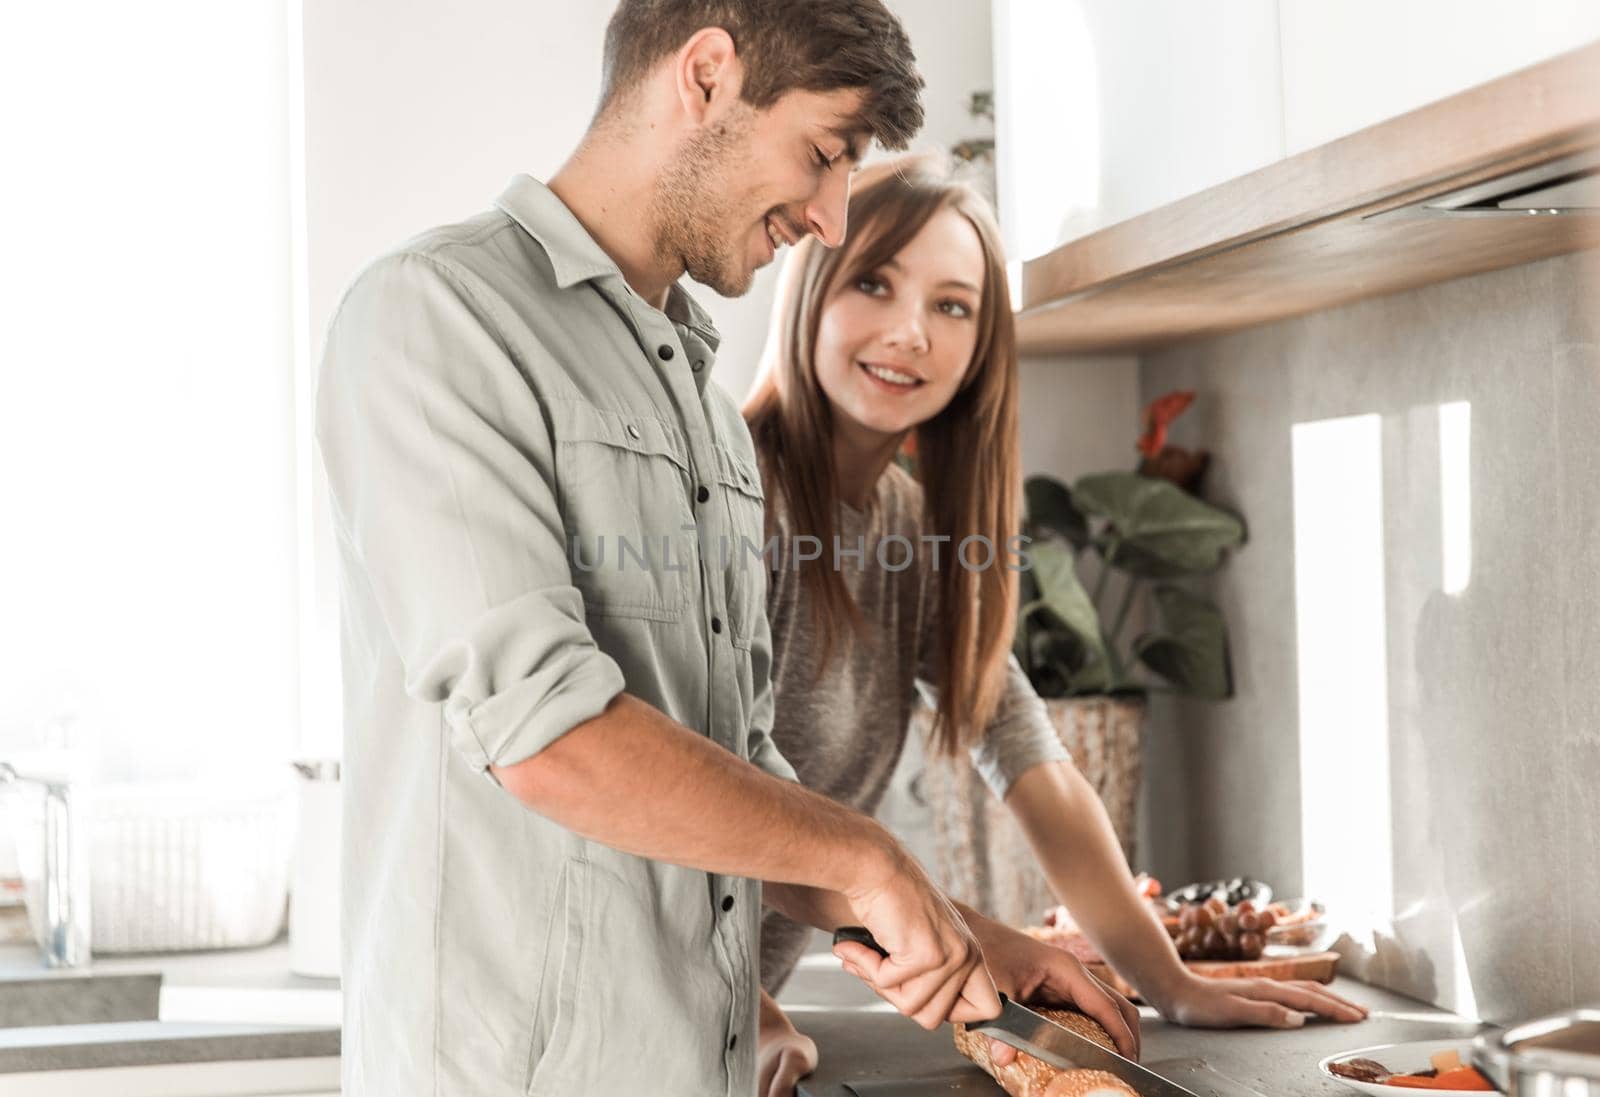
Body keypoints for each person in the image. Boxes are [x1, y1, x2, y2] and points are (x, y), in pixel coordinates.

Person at [314, 6, 1008, 1096]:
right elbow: (549, 735)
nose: (830, 219)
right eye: (823, 155)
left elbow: (732, 763)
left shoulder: (702, 407)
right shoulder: (437, 315)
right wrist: (865, 857)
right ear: (706, 75)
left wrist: (965, 936)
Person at [743, 156, 1372, 1097]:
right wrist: (742, 1014)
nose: (911, 331)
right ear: (811, 284)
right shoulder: (730, 495)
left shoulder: (917, 532)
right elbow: (665, 792)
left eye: (953, 306)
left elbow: (1037, 767)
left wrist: (1172, 983)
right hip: (643, 1018)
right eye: (875, 282)